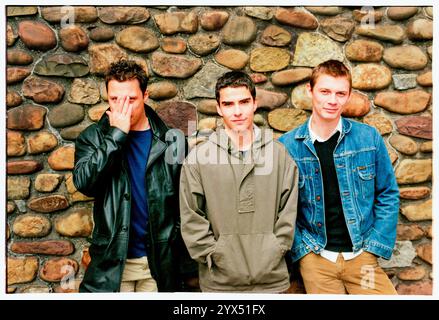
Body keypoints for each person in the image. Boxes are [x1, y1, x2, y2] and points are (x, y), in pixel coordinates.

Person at [73, 59, 197, 292]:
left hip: (157, 262)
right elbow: (84, 183)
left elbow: (184, 202)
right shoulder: (93, 138)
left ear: (145, 95)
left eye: (131, 99)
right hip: (112, 262)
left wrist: (176, 248)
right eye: (114, 100)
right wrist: (116, 135)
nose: (122, 107)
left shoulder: (172, 141)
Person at [279, 60, 399, 294]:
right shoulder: (287, 147)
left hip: (362, 257)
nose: (332, 100)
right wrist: (302, 250)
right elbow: (281, 207)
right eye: (325, 91)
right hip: (316, 259)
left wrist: (372, 248)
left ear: (349, 96)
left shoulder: (368, 138)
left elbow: (387, 193)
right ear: (310, 90)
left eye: (340, 93)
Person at [179, 71, 299, 292]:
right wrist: (213, 255)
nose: (237, 111)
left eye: (244, 102)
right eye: (228, 104)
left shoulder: (279, 154)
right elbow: (191, 215)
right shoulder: (199, 158)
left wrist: (277, 249)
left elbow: (289, 210)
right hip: (220, 282)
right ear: (219, 108)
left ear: (254, 103)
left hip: (272, 280)